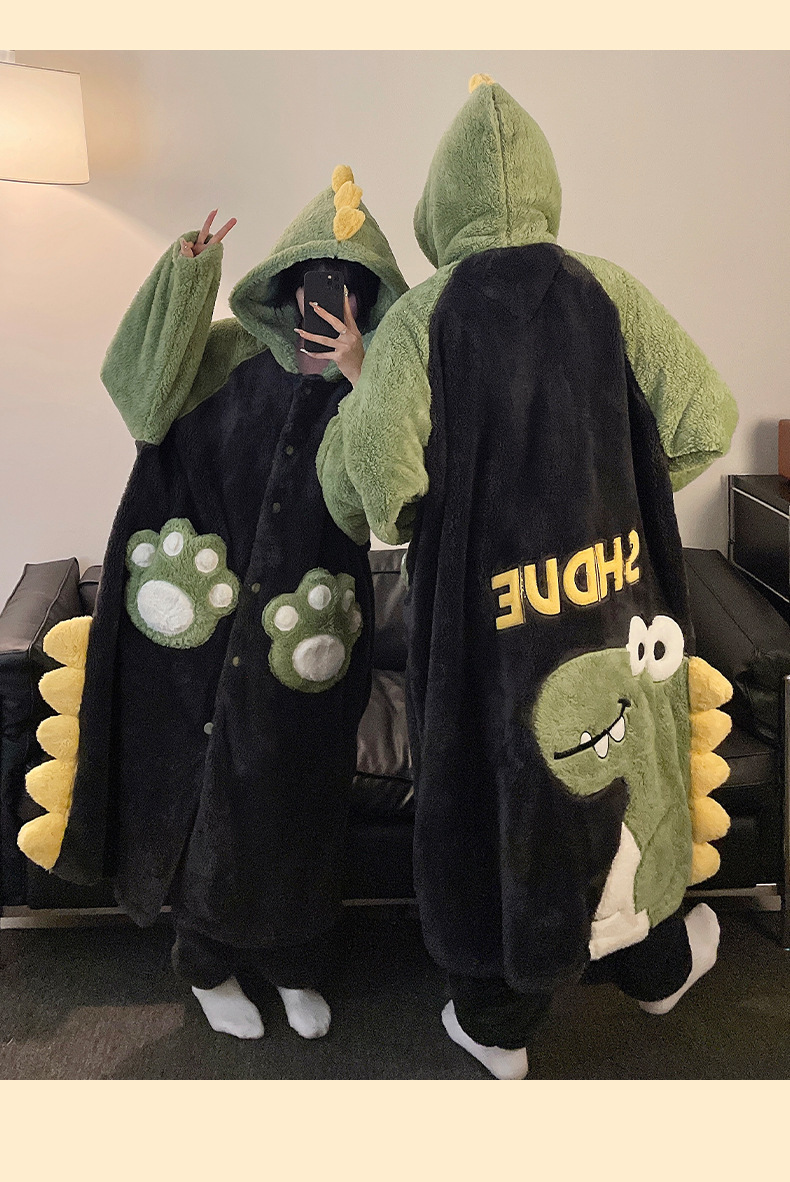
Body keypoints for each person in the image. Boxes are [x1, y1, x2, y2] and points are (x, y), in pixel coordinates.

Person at [317, 79, 738, 1078]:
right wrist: (615, 494)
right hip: (611, 599)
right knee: (622, 773)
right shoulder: (609, 288)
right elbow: (704, 420)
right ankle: (656, 969)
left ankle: (495, 1027)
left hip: (487, 626)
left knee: (497, 789)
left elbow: (372, 481)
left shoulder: (424, 317)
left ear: (439, 208)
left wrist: (405, 495)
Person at [18, 166, 408, 1041]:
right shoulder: (224, 356)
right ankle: (205, 966)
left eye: (351, 292)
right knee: (194, 805)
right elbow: (138, 395)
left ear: (373, 301)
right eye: (313, 287)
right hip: (189, 634)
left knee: (295, 807)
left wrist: (362, 378)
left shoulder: (380, 388)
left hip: (305, 640)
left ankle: (295, 965)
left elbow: (392, 506)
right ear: (285, 286)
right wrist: (183, 277)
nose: (328, 307)